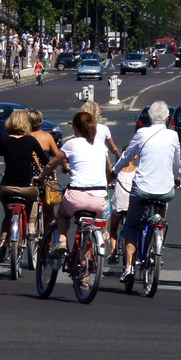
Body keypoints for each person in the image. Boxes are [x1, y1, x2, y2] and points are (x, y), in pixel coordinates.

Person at [113, 100, 181, 281]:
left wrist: (114, 171)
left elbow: (126, 156)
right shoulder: (173, 136)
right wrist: (176, 177)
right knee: (161, 211)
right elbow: (177, 163)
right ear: (168, 118)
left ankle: (128, 267)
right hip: (166, 190)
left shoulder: (142, 133)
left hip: (142, 188)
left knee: (131, 225)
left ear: (150, 117)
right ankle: (158, 239)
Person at [44, 108, 112, 256]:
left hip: (76, 197)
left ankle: (62, 240)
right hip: (99, 199)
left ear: (74, 127)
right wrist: (108, 182)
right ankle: (85, 273)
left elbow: (52, 164)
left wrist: (41, 177)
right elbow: (108, 168)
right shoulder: (100, 145)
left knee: (63, 215)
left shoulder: (71, 144)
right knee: (90, 230)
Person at [0, 110, 50, 261]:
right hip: (27, 187)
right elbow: (45, 161)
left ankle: (3, 244)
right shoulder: (31, 141)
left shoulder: (3, 141)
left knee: (8, 214)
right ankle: (32, 228)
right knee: (33, 200)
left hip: (7, 187)